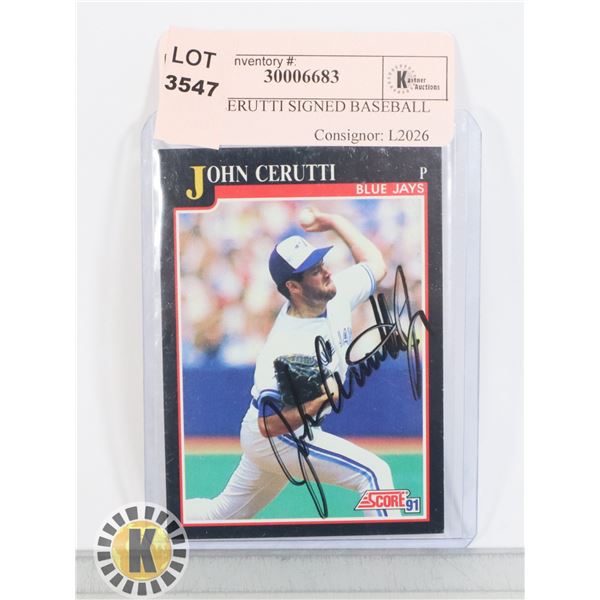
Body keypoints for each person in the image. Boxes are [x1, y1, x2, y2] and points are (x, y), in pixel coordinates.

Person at [185, 208, 395, 520]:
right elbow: (267, 424)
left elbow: (376, 265)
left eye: (321, 263)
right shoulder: (286, 345)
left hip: (273, 436)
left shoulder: (335, 294)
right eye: (314, 271)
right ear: (294, 287)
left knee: (220, 515)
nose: (326, 272)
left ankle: (166, 516)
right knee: (374, 474)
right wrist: (320, 400)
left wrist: (335, 221)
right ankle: (388, 552)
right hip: (277, 436)